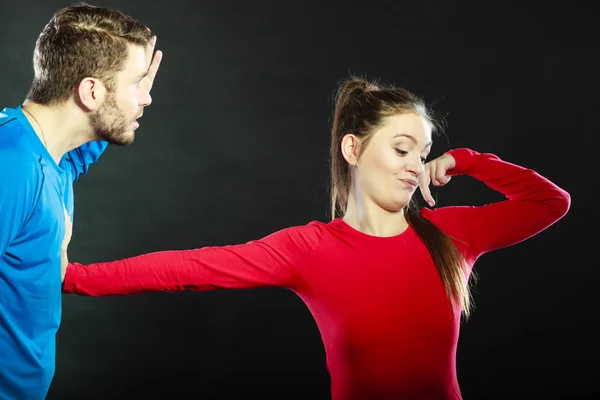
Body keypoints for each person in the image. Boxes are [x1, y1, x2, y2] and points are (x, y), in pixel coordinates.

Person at [62, 76, 570, 400]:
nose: (417, 165)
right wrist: (75, 277)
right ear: (353, 149)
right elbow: (191, 268)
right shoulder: (311, 250)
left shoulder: (450, 234)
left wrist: (468, 161)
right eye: (401, 149)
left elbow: (551, 203)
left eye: (424, 151)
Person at [0, 3, 163, 399]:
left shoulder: (50, 153)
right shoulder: (13, 167)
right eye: (136, 83)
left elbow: (82, 147)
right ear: (91, 91)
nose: (147, 99)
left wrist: (126, 96)